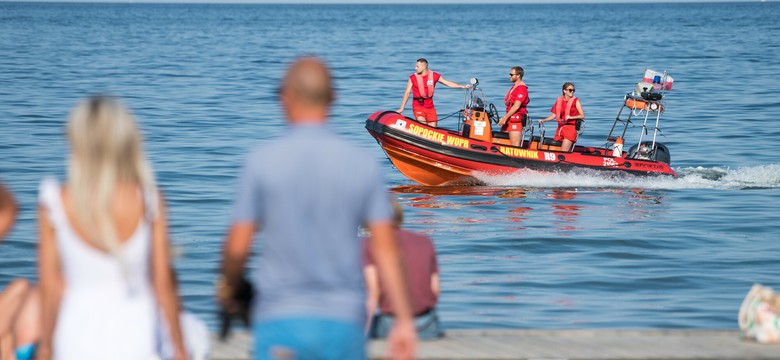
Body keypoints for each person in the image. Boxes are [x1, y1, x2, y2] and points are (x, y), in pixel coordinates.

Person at [218, 57, 416, 360]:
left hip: (279, 319)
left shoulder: (261, 161)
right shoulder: (361, 163)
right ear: (333, 98)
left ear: (286, 98)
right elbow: (386, 248)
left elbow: (237, 247)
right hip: (343, 321)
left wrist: (229, 293)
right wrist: (402, 320)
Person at [37, 96, 187, 360]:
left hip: (75, 338)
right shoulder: (150, 200)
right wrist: (180, 348)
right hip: (136, 336)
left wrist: (46, 346)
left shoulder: (55, 201)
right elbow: (162, 283)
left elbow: (51, 287)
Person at [363, 197, 442, 339]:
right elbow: (435, 290)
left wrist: (363, 332)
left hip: (392, 323)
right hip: (426, 324)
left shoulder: (370, 243)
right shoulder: (425, 241)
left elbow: (373, 294)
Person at [397, 58, 470, 128]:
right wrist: (402, 108)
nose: (415, 68)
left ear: (424, 67)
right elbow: (407, 93)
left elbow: (448, 83)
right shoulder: (412, 78)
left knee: (433, 129)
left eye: (417, 66)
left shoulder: (434, 76)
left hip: (430, 108)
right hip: (418, 107)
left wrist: (463, 86)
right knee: (423, 125)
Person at [538, 82, 585, 152]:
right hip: (560, 128)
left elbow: (582, 115)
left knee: (564, 151)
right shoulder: (559, 100)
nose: (572, 92)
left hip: (570, 129)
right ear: (564, 91)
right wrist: (543, 120)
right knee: (558, 147)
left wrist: (570, 117)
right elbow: (554, 115)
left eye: (573, 90)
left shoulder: (576, 101)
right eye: (570, 90)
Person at [497, 66, 530, 147]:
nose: (510, 76)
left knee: (515, 146)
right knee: (501, 140)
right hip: (509, 117)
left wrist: (505, 117)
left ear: (518, 75)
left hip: (516, 118)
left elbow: (516, 106)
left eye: (511, 75)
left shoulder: (521, 88)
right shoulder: (514, 87)